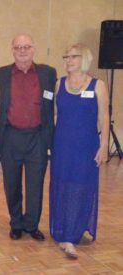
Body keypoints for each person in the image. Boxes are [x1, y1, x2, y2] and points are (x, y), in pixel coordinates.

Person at [0, 33, 56, 241]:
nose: (22, 51)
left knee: (35, 184)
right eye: (18, 47)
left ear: (33, 49)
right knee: (12, 183)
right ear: (12, 50)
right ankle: (16, 223)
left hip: (37, 136)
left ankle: (32, 225)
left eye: (26, 46)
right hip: (10, 137)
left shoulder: (48, 73)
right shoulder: (0, 74)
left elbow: (57, 98)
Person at [49, 44, 109, 259]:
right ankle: (65, 232)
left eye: (73, 56)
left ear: (84, 59)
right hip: (62, 145)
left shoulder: (98, 85)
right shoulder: (59, 84)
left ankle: (73, 233)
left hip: (86, 146)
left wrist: (103, 146)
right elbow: (55, 115)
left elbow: (104, 118)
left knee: (82, 185)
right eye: (66, 56)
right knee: (63, 184)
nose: (68, 60)